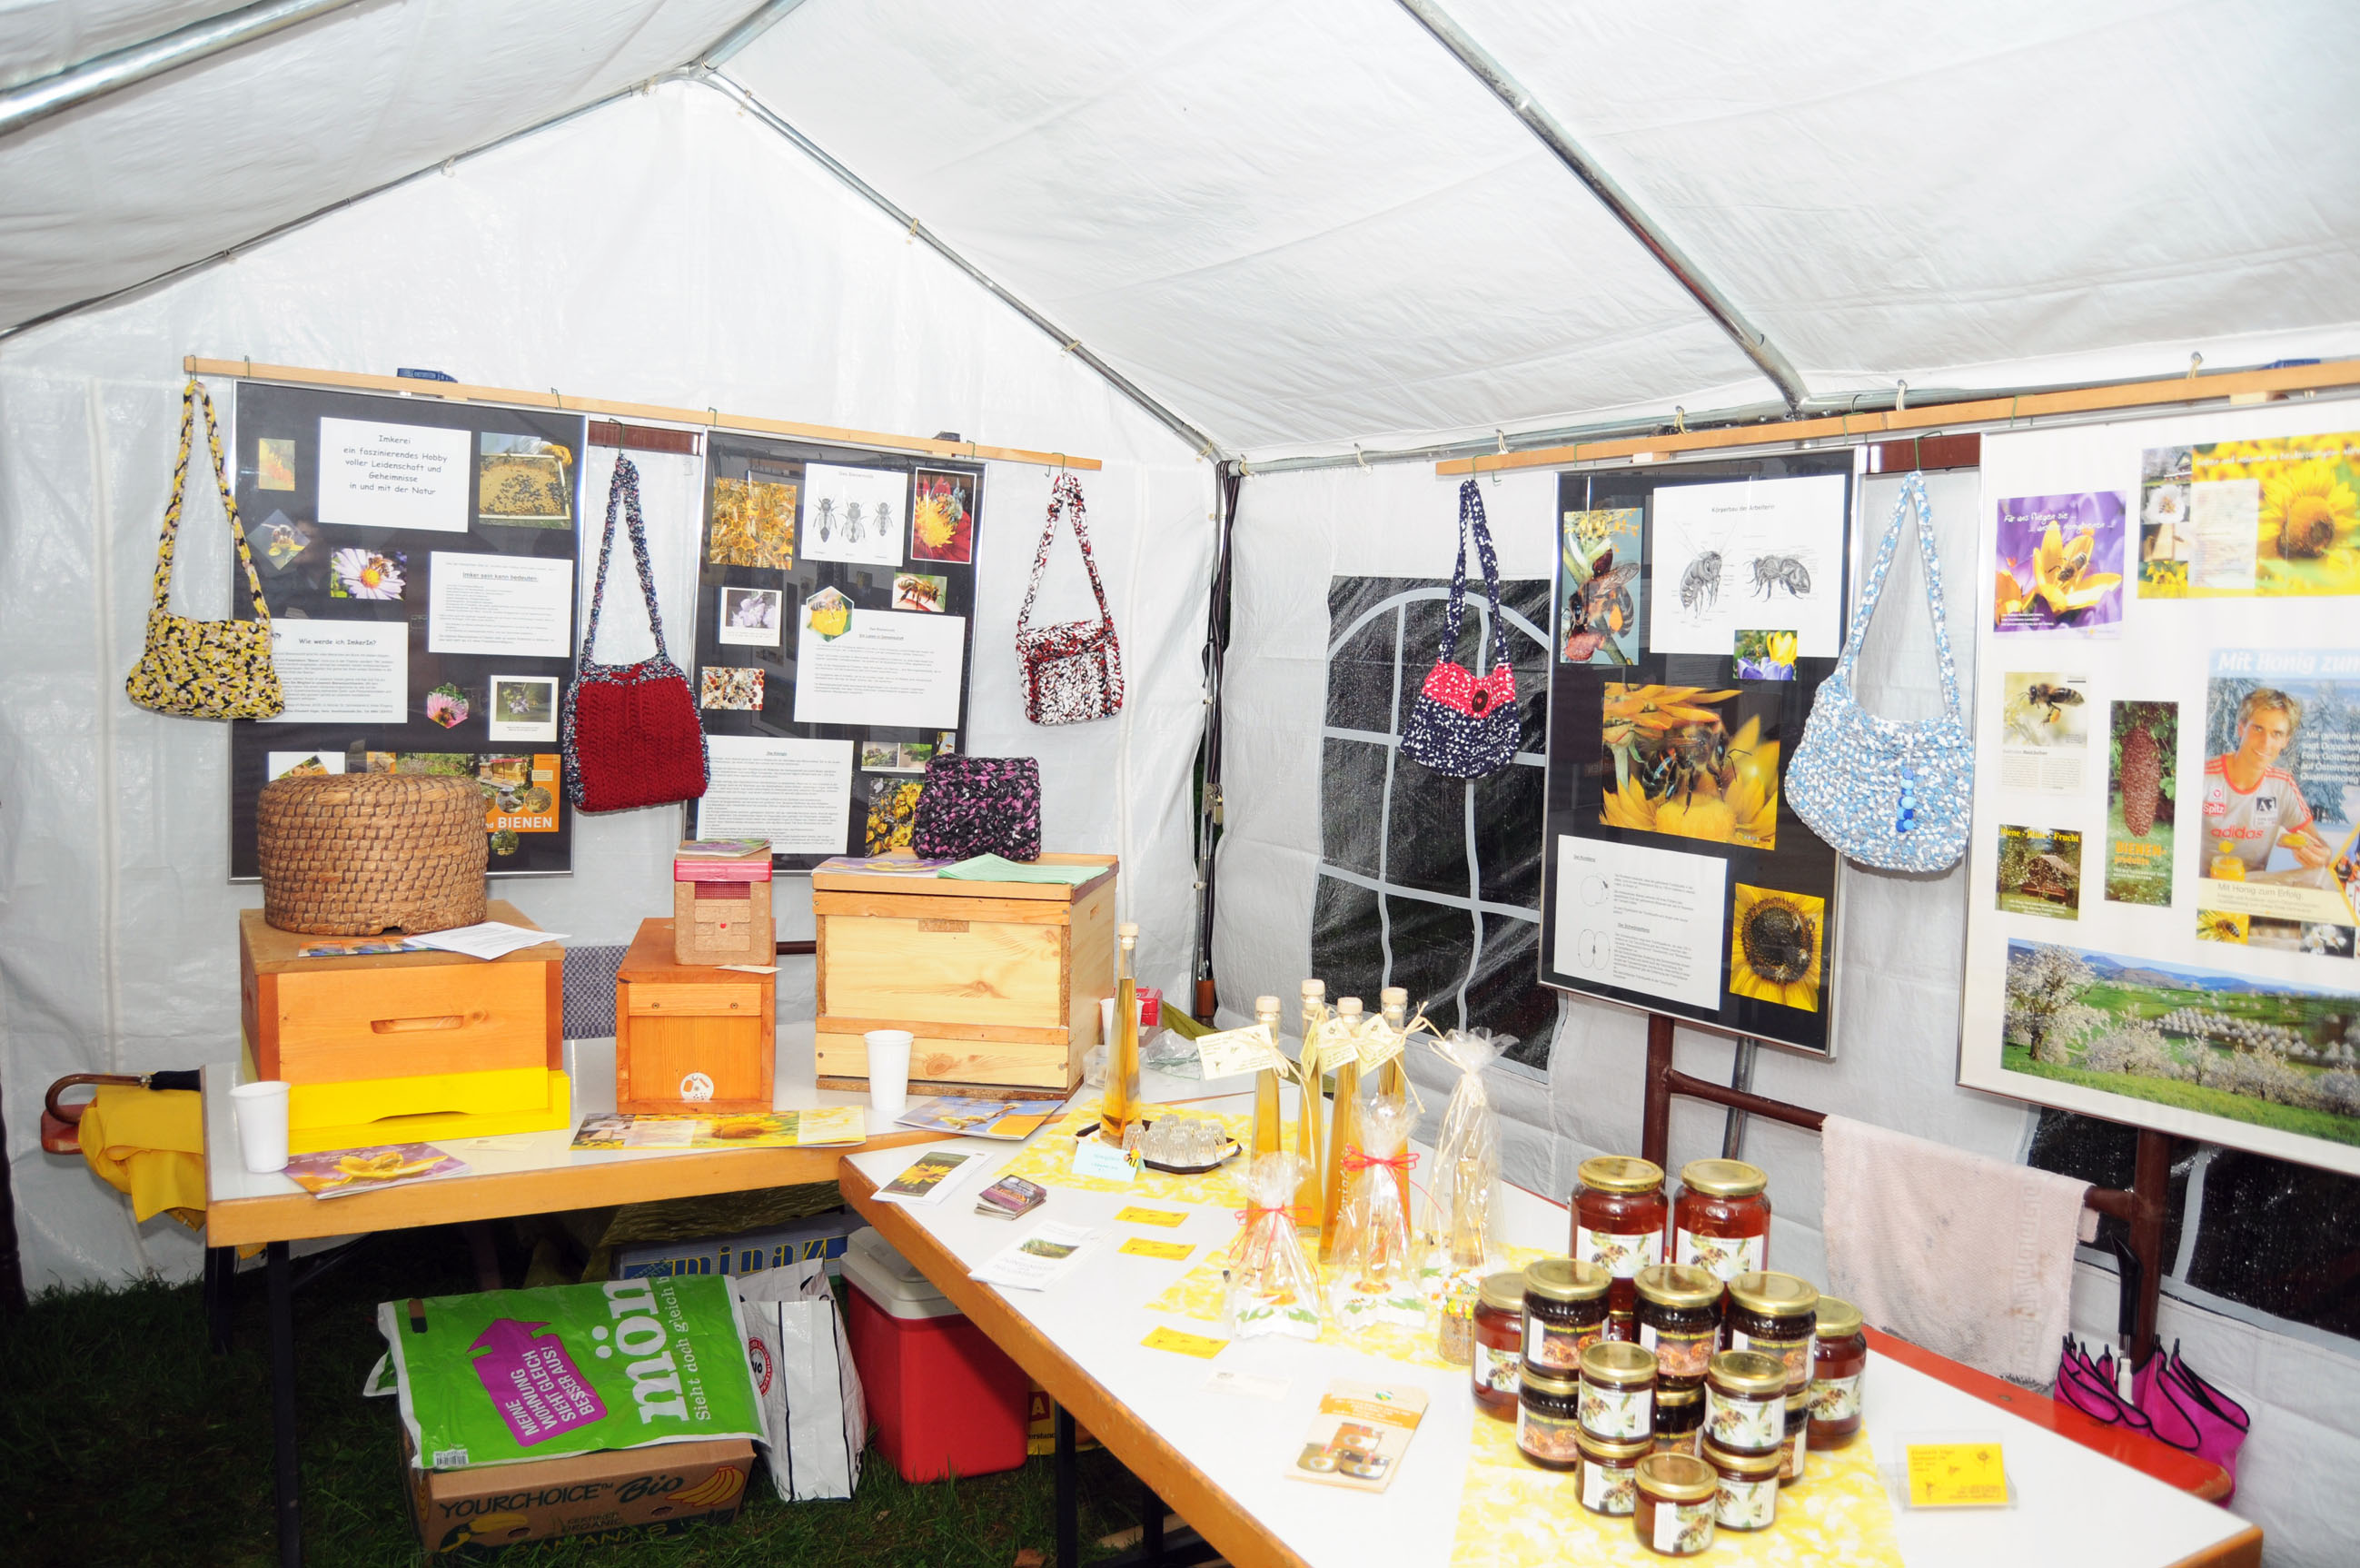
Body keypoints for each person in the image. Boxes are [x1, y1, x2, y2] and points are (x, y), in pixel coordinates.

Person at [2202, 689, 2331, 877]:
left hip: (2253, 888)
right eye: (2258, 729)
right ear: (2241, 728)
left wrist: (2323, 854)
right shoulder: (2204, 776)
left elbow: (2317, 843)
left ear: (2285, 741)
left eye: (2276, 734)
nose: (2265, 743)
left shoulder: (2282, 784)